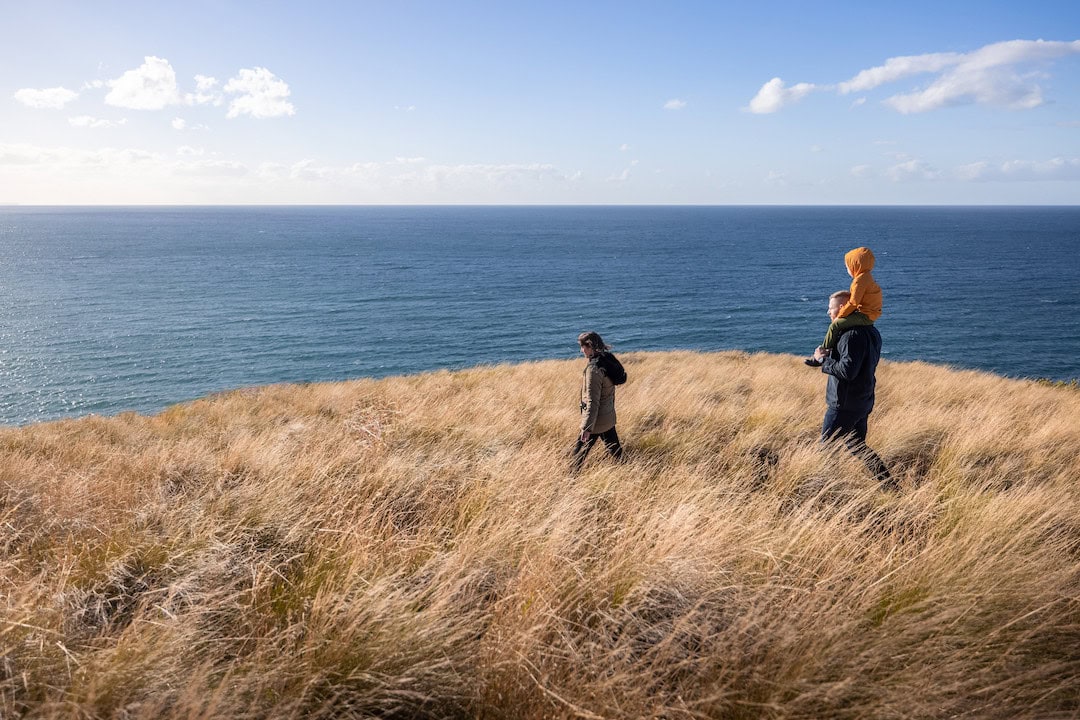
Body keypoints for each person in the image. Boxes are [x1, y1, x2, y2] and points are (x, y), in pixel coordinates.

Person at [812, 291, 895, 489]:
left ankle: (826, 493)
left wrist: (823, 360)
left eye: (831, 308)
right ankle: (891, 487)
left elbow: (847, 371)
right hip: (862, 401)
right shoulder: (871, 331)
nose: (828, 313)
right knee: (857, 446)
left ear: (842, 308)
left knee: (826, 452)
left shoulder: (850, 335)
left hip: (844, 404)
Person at [806, 247, 883, 367]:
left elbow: (853, 302)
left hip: (865, 315)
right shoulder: (867, 277)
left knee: (835, 325)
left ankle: (823, 352)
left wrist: (840, 315)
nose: (847, 269)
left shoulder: (859, 281)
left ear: (855, 265)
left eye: (847, 266)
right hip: (869, 314)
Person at [570, 331, 624, 471]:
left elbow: (593, 401)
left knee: (578, 454)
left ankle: (569, 480)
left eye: (583, 347)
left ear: (590, 346)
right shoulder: (607, 359)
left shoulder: (593, 370)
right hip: (608, 417)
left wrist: (587, 428)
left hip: (596, 421)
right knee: (616, 452)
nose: (581, 350)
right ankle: (629, 471)